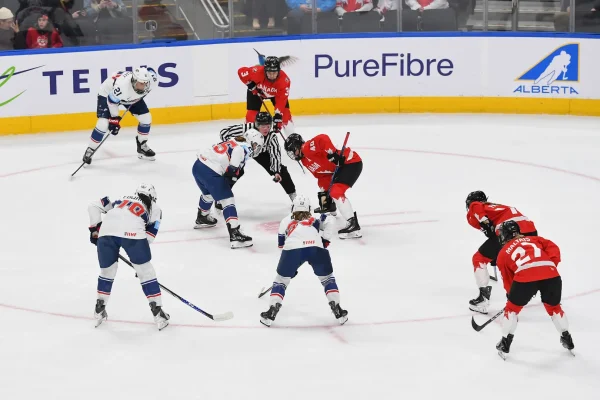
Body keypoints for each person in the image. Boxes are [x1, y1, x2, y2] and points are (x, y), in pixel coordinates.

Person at [87, 183, 170, 331]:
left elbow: (93, 205)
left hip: (106, 232)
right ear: (153, 197)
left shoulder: (120, 199)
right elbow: (149, 237)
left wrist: (95, 229)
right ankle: (158, 314)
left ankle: (99, 310)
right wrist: (140, 266)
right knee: (147, 272)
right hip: (133, 234)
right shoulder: (155, 208)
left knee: (107, 272)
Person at [260, 194, 348, 327]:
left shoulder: (285, 221)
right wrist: (325, 239)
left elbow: (281, 246)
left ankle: (272, 311)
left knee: (281, 280)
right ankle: (337, 309)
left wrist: (290, 268)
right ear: (309, 208)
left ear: (293, 208)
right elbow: (331, 220)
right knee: (327, 279)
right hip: (316, 248)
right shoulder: (315, 219)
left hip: (292, 250)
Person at [494, 221, 575, 359]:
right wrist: (547, 268)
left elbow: (508, 279)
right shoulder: (536, 239)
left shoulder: (502, 253)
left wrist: (512, 295)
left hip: (525, 278)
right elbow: (554, 248)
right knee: (554, 308)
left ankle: (505, 343)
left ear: (505, 235)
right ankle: (567, 338)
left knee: (511, 310)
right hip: (551, 275)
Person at [465, 191, 538, 314]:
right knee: (516, 261)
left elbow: (477, 209)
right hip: (531, 231)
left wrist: (485, 221)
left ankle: (483, 299)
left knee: (479, 258)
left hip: (508, 232)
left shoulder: (476, 206)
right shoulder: (499, 207)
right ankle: (525, 291)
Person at [192, 130, 264, 249]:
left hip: (198, 166)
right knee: (228, 200)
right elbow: (232, 169)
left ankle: (202, 216)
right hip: (211, 171)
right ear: (252, 142)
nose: (257, 149)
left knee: (209, 194)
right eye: (257, 145)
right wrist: (228, 183)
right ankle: (235, 234)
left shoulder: (234, 140)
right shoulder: (242, 148)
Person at [284, 133, 363, 239]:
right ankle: (329, 206)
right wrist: (325, 199)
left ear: (297, 146)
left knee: (336, 191)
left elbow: (323, 138)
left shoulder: (306, 148)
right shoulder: (304, 160)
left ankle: (353, 223)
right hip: (340, 168)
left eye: (293, 150)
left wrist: (333, 154)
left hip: (351, 162)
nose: (293, 155)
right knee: (322, 182)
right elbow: (322, 175)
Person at [82, 67, 158, 165]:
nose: (143, 86)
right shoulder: (122, 87)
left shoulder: (151, 80)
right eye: (140, 84)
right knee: (103, 124)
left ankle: (142, 146)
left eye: (145, 83)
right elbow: (112, 101)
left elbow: (150, 70)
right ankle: (90, 149)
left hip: (130, 97)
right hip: (108, 93)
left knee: (146, 118)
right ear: (134, 81)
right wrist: (114, 119)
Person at [219, 111, 297, 202]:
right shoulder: (247, 128)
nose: (266, 129)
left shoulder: (271, 137)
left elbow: (275, 154)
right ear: (257, 125)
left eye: (268, 126)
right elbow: (224, 132)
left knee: (281, 170)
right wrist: (232, 145)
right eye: (263, 126)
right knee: (234, 172)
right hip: (243, 150)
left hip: (260, 153)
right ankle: (221, 196)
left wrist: (276, 171)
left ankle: (294, 197)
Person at [238, 56, 295, 136]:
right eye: (269, 73)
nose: (272, 75)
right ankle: (248, 137)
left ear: (279, 71)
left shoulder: (284, 81)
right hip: (257, 92)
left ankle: (291, 137)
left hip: (275, 95)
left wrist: (278, 116)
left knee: (285, 115)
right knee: (251, 116)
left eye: (274, 73)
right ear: (265, 71)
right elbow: (241, 71)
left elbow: (281, 100)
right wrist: (249, 84)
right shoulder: (257, 71)